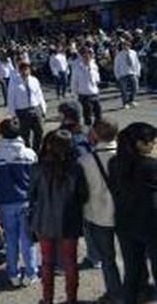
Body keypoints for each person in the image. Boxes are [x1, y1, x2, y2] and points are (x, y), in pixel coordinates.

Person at [30, 130, 89, 304]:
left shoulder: (38, 168)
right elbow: (83, 196)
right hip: (69, 221)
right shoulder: (76, 168)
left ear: (49, 145)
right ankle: (72, 299)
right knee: (70, 262)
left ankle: (47, 299)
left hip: (44, 220)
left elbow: (31, 195)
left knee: (47, 262)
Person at [107, 123, 157, 304]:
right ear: (139, 144)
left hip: (125, 224)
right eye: (151, 141)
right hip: (151, 225)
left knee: (132, 272)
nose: (153, 145)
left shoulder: (114, 164)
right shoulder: (151, 166)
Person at [0, 118, 38, 288]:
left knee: (10, 240)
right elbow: (35, 181)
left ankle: (13, 273)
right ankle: (31, 273)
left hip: (5, 202)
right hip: (26, 202)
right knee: (27, 240)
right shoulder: (29, 154)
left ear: (1, 133)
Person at [78, 118, 122, 304]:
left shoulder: (85, 161)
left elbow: (81, 192)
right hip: (126, 214)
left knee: (108, 258)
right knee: (132, 257)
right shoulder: (127, 157)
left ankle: (114, 293)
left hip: (97, 214)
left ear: (95, 134)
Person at [7, 60, 47, 152]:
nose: (25, 71)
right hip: (22, 111)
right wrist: (13, 114)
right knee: (25, 134)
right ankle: (28, 151)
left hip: (35, 109)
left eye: (27, 69)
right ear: (19, 71)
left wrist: (43, 109)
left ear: (29, 70)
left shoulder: (34, 80)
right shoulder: (14, 82)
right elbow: (11, 98)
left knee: (39, 131)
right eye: (22, 69)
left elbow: (39, 95)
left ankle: (36, 150)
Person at [71, 47, 102, 126]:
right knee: (87, 116)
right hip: (84, 95)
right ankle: (88, 131)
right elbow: (74, 82)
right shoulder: (78, 69)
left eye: (89, 56)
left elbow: (97, 78)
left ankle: (97, 129)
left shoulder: (94, 66)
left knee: (99, 114)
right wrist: (75, 95)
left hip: (94, 93)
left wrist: (97, 83)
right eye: (85, 57)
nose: (87, 58)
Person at [114, 40, 141, 109]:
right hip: (123, 74)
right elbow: (116, 66)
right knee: (124, 90)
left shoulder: (133, 53)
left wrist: (137, 72)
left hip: (132, 73)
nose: (126, 47)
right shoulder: (119, 55)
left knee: (135, 87)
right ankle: (125, 103)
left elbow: (137, 63)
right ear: (122, 47)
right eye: (124, 45)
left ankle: (131, 100)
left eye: (127, 45)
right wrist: (117, 76)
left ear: (129, 46)